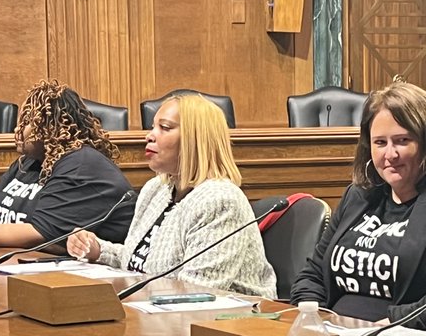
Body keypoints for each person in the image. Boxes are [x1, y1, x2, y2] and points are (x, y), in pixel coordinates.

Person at [289, 81, 426, 332]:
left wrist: (392, 324)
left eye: (402, 140)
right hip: (333, 335)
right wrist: (310, 320)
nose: (390, 154)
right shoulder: (360, 195)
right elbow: (313, 274)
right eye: (380, 143)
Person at [66, 93, 276, 298]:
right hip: (160, 316)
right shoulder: (156, 189)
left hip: (231, 323)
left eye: (164, 128)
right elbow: (142, 261)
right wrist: (97, 250)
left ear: (196, 139)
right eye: (152, 127)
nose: (149, 136)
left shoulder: (220, 200)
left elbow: (196, 292)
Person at [0, 80, 134, 248]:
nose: (17, 129)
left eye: (28, 121)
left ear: (51, 127)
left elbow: (39, 235)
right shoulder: (27, 163)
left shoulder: (82, 165)